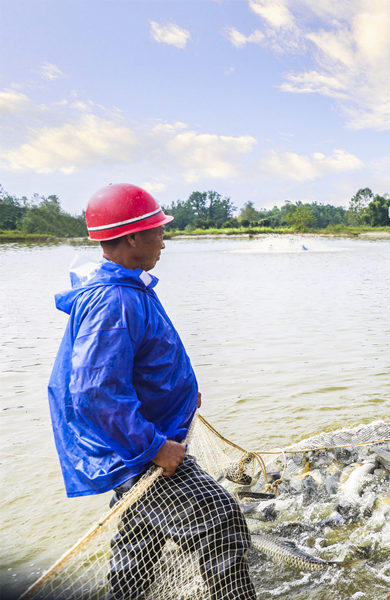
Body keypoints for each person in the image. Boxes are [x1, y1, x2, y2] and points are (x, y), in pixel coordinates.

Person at [47, 183, 256, 600]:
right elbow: (94, 391)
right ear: (131, 238)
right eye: (157, 231)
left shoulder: (129, 286)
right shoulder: (112, 300)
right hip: (138, 449)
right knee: (220, 517)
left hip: (144, 442)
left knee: (141, 533)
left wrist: (182, 393)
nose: (164, 239)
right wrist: (153, 448)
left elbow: (138, 362)